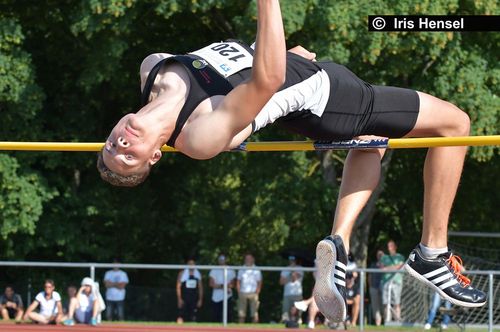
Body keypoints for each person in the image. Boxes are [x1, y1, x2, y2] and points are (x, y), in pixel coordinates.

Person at [97, 0, 485, 322]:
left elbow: (235, 66)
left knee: (370, 144)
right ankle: (432, 253)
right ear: (154, 157)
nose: (120, 145)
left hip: (312, 85)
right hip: (331, 99)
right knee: (456, 123)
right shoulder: (199, 136)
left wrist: (273, 51)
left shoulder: (153, 68)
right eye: (128, 158)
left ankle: (339, 244)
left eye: (110, 148)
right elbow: (267, 82)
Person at [380, 240, 405, 323]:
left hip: (396, 282)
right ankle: (387, 321)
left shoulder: (400, 257)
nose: (389, 248)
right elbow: (381, 269)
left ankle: (397, 321)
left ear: (395, 247)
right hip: (385, 282)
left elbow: (399, 266)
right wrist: (393, 267)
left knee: (396, 302)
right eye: (388, 246)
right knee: (385, 302)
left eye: (391, 246)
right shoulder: (384, 258)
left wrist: (387, 268)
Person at [208, 254, 236, 323]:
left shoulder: (231, 270)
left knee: (228, 316)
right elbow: (211, 284)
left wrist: (220, 286)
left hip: (227, 297)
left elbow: (232, 284)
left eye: (223, 259)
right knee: (215, 316)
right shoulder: (214, 270)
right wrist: (224, 286)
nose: (221, 261)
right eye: (220, 259)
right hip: (216, 298)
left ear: (226, 260)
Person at [236, 253, 262, 323]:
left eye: (249, 258)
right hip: (242, 292)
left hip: (253, 293)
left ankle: (255, 329)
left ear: (253, 259)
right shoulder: (241, 269)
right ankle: (240, 328)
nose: (247, 260)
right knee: (241, 313)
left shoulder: (257, 269)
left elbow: (259, 282)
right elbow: (238, 281)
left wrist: (257, 292)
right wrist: (239, 291)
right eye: (246, 259)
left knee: (254, 313)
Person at [176, 258, 203, 324]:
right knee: (181, 316)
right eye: (189, 264)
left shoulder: (198, 274)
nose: (191, 265)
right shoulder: (182, 273)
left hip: (194, 298)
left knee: (193, 316)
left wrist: (200, 299)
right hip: (184, 297)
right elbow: (178, 287)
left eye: (192, 264)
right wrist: (179, 299)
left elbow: (200, 288)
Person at [280, 256, 303, 323]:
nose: (292, 261)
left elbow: (294, 279)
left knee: (298, 311)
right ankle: (285, 322)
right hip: (287, 294)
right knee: (285, 311)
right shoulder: (285, 269)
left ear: (296, 260)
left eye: (293, 260)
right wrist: (290, 276)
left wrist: (289, 276)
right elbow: (281, 282)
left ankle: (298, 321)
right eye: (290, 260)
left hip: (297, 294)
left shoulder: (300, 268)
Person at [368, 250, 384, 326]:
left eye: (381, 254)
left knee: (383, 304)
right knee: (375, 305)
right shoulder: (373, 264)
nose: (380, 256)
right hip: (374, 287)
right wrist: (371, 286)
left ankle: (385, 321)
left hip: (383, 288)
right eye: (379, 254)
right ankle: (378, 322)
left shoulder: (387, 265)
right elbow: (369, 276)